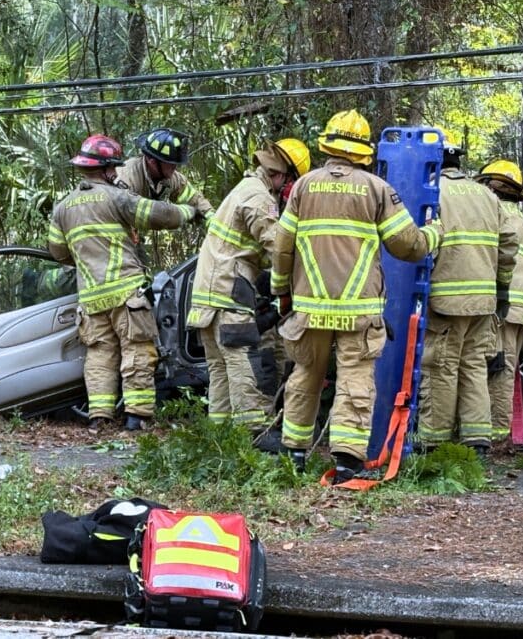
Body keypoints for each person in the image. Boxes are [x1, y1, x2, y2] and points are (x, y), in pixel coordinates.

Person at [270, 110, 442, 483]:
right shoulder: (377, 189)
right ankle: (347, 463)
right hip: (358, 312)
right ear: (363, 151)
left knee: (306, 375)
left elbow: (282, 246)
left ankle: (294, 455)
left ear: (328, 145)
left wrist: (281, 291)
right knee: (355, 380)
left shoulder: (303, 187)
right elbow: (408, 245)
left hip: (309, 308)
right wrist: (434, 233)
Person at [47, 134, 200, 431]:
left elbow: (59, 252)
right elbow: (159, 215)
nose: (117, 172)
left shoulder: (62, 209)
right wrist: (188, 211)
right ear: (105, 169)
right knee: (138, 350)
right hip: (125, 292)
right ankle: (137, 417)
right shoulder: (116, 197)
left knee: (99, 356)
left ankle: (99, 417)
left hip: (91, 298)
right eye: (113, 167)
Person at [186, 138, 310, 432]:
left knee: (220, 370)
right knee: (244, 363)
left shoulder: (243, 189)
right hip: (229, 293)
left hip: (209, 295)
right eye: (291, 181)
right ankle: (254, 433)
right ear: (280, 174)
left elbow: (254, 250)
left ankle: (220, 439)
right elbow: (278, 247)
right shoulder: (258, 197)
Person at [417, 139, 519, 456]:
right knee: (474, 365)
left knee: (441, 367)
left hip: (446, 301)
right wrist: (502, 291)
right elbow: (509, 245)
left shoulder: (432, 192)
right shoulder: (487, 196)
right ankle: (477, 440)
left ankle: (434, 442)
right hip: (484, 301)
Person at [475, 160, 523, 441]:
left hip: (505, 307)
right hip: (519, 308)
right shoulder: (519, 219)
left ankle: (495, 435)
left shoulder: (500, 215)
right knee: (501, 366)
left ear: (491, 186)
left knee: (498, 367)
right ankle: (495, 432)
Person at [115, 127, 215, 220]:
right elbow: (126, 212)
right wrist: (183, 213)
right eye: (170, 164)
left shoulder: (171, 177)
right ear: (152, 162)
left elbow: (193, 199)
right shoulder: (126, 178)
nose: (175, 167)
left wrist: (211, 217)